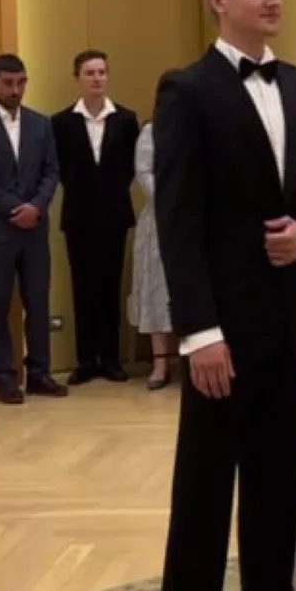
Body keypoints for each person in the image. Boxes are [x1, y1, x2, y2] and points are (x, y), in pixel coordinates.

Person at [152, 0, 296, 591]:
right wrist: (199, 331)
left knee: (277, 485)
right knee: (204, 489)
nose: (273, 0)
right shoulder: (186, 90)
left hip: (289, 320)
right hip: (222, 330)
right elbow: (177, 223)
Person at [0, 53, 68, 404]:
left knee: (38, 301)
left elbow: (52, 170)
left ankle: (39, 372)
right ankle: (4, 376)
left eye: (21, 83)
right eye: (8, 83)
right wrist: (14, 208)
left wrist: (35, 206)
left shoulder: (41, 124)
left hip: (34, 228)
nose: (15, 90)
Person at [51, 50, 140, 385]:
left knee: (110, 286)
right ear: (77, 78)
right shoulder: (61, 123)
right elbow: (60, 167)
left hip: (114, 214)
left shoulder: (125, 120)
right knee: (82, 287)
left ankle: (111, 358)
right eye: (90, 73)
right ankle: (85, 360)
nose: (97, 78)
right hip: (78, 214)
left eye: (102, 72)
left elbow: (130, 166)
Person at [126, 112, 177, 391]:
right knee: (157, 289)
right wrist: (173, 200)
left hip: (196, 218)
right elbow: (144, 172)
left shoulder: (200, 125)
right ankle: (160, 363)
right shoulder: (151, 132)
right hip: (160, 220)